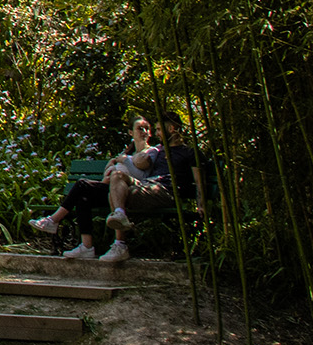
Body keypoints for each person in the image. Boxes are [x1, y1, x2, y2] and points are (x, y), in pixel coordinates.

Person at [29, 112, 198, 262]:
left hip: (137, 189)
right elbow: (107, 175)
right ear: (130, 133)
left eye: (147, 128)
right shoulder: (153, 151)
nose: (145, 132)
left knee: (84, 184)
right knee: (84, 195)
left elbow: (141, 164)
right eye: (140, 128)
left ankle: (54, 220)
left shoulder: (154, 151)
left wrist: (121, 160)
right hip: (121, 188)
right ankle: (86, 247)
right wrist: (117, 164)